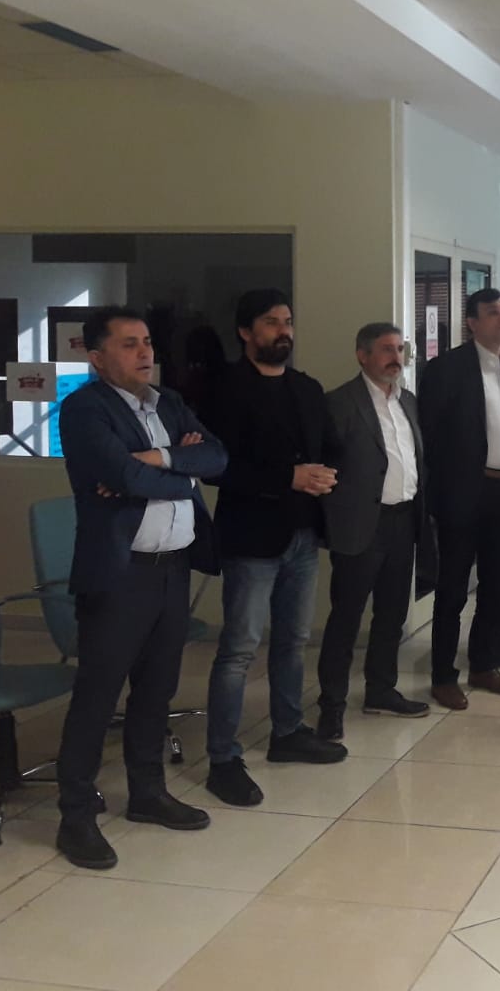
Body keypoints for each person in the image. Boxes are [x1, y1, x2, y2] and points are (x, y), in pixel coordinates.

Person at [53, 306, 228, 869]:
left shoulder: (168, 402)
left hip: (172, 567)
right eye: (128, 344)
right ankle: (75, 815)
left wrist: (159, 460)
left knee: (156, 690)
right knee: (98, 696)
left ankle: (148, 794)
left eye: (147, 341)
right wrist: (179, 470)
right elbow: (121, 475)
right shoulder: (84, 409)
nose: (145, 352)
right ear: (96, 356)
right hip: (119, 573)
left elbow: (216, 457)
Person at [203, 291, 346, 807]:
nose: (283, 330)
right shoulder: (223, 389)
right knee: (240, 649)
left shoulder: (306, 388)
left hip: (303, 534)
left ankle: (288, 732)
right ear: (246, 332)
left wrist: (326, 475)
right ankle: (223, 758)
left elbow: (331, 447)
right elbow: (217, 466)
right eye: (270, 322)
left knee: (293, 640)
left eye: (287, 321)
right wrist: (288, 477)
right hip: (251, 538)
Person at [418, 288, 500, 710]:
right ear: (472, 323)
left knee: (499, 584)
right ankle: (442, 675)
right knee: (453, 588)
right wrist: (443, 494)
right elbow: (431, 439)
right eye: (493, 313)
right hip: (464, 492)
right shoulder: (447, 369)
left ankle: (483, 663)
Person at [315, 323, 431, 742]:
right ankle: (331, 705)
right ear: (362, 355)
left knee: (392, 613)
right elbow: (324, 465)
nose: (395, 357)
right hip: (361, 524)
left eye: (399, 349)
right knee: (346, 618)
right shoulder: (339, 403)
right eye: (386, 349)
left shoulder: (408, 401)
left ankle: (381, 690)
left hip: (404, 520)